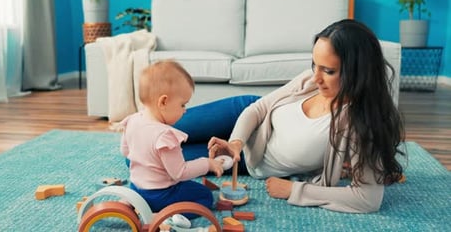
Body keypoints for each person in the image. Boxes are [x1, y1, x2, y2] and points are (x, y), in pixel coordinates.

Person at [173, 19, 405, 213]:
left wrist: (293, 190)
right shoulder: (309, 80)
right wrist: (235, 143)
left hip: (249, 160)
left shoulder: (361, 124)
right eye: (315, 65)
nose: (316, 77)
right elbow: (259, 108)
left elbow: (368, 199)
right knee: (163, 126)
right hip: (242, 118)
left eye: (329, 71)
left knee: (163, 158)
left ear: (358, 72)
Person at [117, 60, 224, 219]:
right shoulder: (165, 136)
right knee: (204, 196)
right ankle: (163, 214)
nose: (185, 110)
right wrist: (207, 163)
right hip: (161, 194)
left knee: (189, 189)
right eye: (182, 105)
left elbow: (125, 151)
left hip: (136, 186)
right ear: (163, 102)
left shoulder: (132, 120)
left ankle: (133, 202)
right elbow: (179, 173)